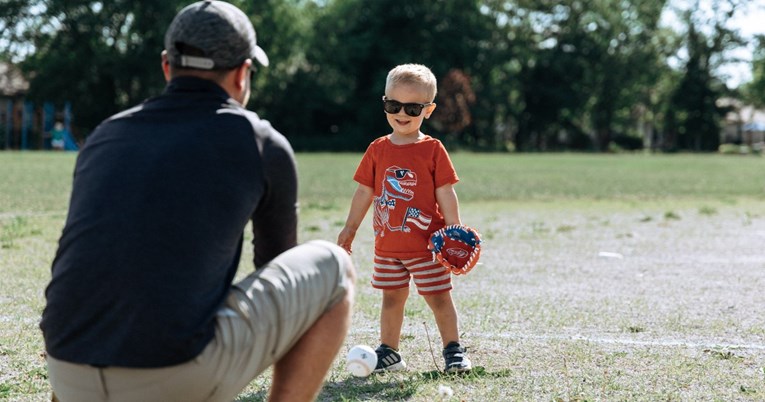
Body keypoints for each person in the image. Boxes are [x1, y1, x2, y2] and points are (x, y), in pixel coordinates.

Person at [40, 1, 355, 401]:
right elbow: (275, 268)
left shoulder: (105, 135)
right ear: (243, 74)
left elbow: (87, 270)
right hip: (174, 374)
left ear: (166, 66)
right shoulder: (260, 142)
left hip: (67, 372)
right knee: (335, 267)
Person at [337, 64, 471, 374]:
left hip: (426, 246)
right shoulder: (378, 149)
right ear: (384, 103)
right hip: (388, 246)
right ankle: (390, 351)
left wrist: (454, 228)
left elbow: (446, 192)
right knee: (391, 300)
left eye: (412, 107)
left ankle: (453, 350)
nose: (402, 113)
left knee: (439, 299)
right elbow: (363, 192)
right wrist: (350, 228)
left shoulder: (433, 149)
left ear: (428, 110)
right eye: (393, 105)